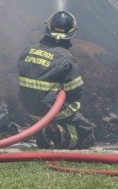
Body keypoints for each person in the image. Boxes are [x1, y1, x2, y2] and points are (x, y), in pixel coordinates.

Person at [17, 10, 96, 149]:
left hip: (30, 110)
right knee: (88, 135)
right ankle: (57, 136)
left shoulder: (27, 51)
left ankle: (47, 129)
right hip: (53, 111)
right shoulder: (65, 58)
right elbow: (76, 91)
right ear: (71, 33)